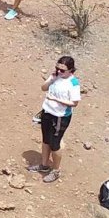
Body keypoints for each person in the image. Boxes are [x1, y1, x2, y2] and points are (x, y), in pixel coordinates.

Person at [31, 55, 80, 184]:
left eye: (62, 70)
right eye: (57, 68)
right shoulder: (55, 76)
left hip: (60, 117)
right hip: (47, 111)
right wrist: (51, 79)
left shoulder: (73, 83)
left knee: (55, 144)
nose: (59, 71)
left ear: (71, 70)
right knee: (45, 140)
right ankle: (44, 165)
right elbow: (43, 88)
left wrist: (56, 100)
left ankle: (56, 170)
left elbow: (74, 103)